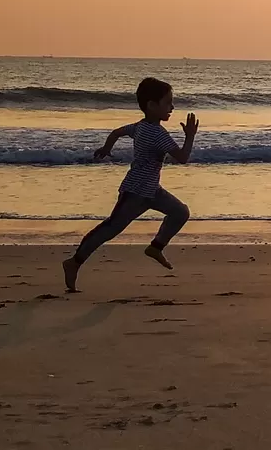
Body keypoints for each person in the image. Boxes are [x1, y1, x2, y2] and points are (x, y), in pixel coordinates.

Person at [63, 78, 199, 292]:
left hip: (152, 190)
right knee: (110, 228)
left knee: (180, 212)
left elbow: (117, 132)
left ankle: (156, 247)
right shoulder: (157, 133)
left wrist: (107, 148)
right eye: (167, 102)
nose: (172, 107)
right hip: (135, 192)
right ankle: (74, 262)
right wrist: (190, 137)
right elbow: (182, 157)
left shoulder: (140, 126)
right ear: (152, 106)